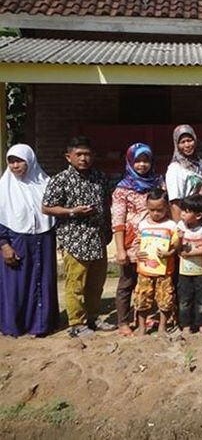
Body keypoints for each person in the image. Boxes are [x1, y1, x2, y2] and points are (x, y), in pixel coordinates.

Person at [42, 136, 113, 338]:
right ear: (68, 156)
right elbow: (46, 207)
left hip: (97, 237)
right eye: (79, 154)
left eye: (88, 154)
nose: (84, 158)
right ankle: (77, 323)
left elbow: (107, 204)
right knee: (76, 283)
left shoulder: (99, 177)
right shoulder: (60, 179)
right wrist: (73, 212)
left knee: (96, 283)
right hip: (75, 239)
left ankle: (93, 317)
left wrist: (107, 230)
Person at [0, 144, 58, 337]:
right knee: (17, 286)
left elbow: (54, 211)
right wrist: (4, 245)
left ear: (30, 160)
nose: (15, 166)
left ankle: (41, 325)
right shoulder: (3, 188)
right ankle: (14, 326)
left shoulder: (45, 183)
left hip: (44, 241)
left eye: (20, 161)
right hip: (17, 241)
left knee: (43, 282)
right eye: (12, 162)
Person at [111, 142, 164, 337]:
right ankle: (123, 322)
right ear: (130, 162)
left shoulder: (158, 183)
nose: (142, 165)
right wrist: (120, 250)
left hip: (154, 242)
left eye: (146, 161)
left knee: (148, 283)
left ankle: (144, 316)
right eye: (138, 161)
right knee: (127, 283)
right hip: (131, 243)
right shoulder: (122, 189)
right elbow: (118, 221)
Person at [133, 189, 179, 336]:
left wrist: (169, 253)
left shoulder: (172, 226)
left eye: (159, 210)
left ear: (167, 208)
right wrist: (137, 253)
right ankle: (142, 327)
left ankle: (162, 327)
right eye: (152, 210)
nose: (155, 213)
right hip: (145, 270)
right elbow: (137, 244)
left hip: (165, 270)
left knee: (165, 298)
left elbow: (176, 246)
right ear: (147, 207)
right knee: (142, 297)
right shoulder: (142, 225)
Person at [176, 195, 202, 335]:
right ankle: (185, 325)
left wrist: (191, 253)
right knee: (184, 299)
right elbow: (176, 247)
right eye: (182, 211)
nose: (182, 214)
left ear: (198, 215)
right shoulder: (181, 226)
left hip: (201, 271)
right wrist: (179, 239)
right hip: (184, 271)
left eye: (186, 212)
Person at [165, 125, 202, 221]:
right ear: (177, 145)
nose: (187, 145)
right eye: (182, 142)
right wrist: (180, 227)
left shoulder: (199, 163)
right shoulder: (175, 168)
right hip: (187, 222)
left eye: (189, 140)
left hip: (201, 219)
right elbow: (175, 203)